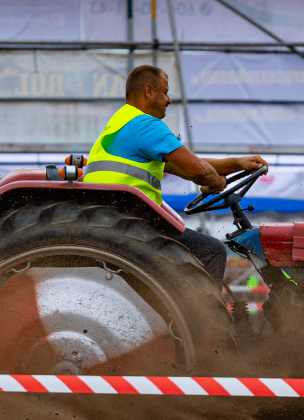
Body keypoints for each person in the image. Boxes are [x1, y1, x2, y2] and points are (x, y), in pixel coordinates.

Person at [83, 64, 267, 285]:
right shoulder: (146, 125)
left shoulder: (121, 122)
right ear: (149, 91)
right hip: (132, 225)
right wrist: (217, 182)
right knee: (211, 250)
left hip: (114, 220)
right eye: (165, 92)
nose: (169, 100)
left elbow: (188, 167)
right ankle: (205, 319)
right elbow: (198, 170)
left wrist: (237, 163)